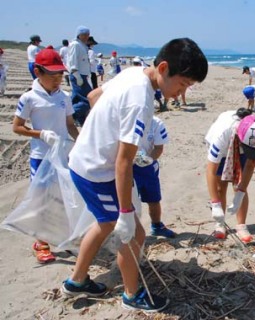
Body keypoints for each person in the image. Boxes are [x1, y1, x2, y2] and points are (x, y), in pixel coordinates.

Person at [63, 38, 207, 312]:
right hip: (96, 170)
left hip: (85, 159)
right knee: (133, 233)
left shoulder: (133, 72)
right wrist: (127, 212)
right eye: (182, 84)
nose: (180, 93)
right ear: (163, 68)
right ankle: (131, 294)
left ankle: (77, 280)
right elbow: (124, 161)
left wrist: (100, 133)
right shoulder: (141, 102)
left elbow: (94, 97)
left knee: (106, 223)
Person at [12, 48, 79, 263]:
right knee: (41, 199)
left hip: (62, 155)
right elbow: (17, 127)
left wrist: (79, 143)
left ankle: (61, 236)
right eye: (53, 75)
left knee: (62, 197)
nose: (58, 79)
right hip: (41, 155)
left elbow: (69, 124)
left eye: (60, 74)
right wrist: (40, 134)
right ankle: (41, 242)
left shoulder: (64, 97)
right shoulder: (29, 98)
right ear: (38, 72)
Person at [205, 109, 255, 243]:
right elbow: (210, 170)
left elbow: (251, 164)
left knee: (239, 187)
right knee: (220, 187)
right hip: (224, 149)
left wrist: (240, 193)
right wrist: (215, 203)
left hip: (243, 146)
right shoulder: (222, 134)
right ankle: (220, 224)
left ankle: (241, 225)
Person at [133, 116, 175, 237]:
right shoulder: (125, 119)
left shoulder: (155, 123)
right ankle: (132, 230)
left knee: (154, 199)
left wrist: (147, 159)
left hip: (148, 166)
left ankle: (156, 225)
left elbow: (158, 148)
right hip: (128, 167)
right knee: (130, 202)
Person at [68, 25, 92, 126]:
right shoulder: (75, 45)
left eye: (88, 35)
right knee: (87, 99)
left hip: (83, 75)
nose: (87, 37)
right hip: (78, 75)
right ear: (79, 35)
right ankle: (71, 115)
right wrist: (77, 76)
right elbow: (72, 62)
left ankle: (79, 119)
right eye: (84, 35)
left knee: (76, 99)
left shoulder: (83, 45)